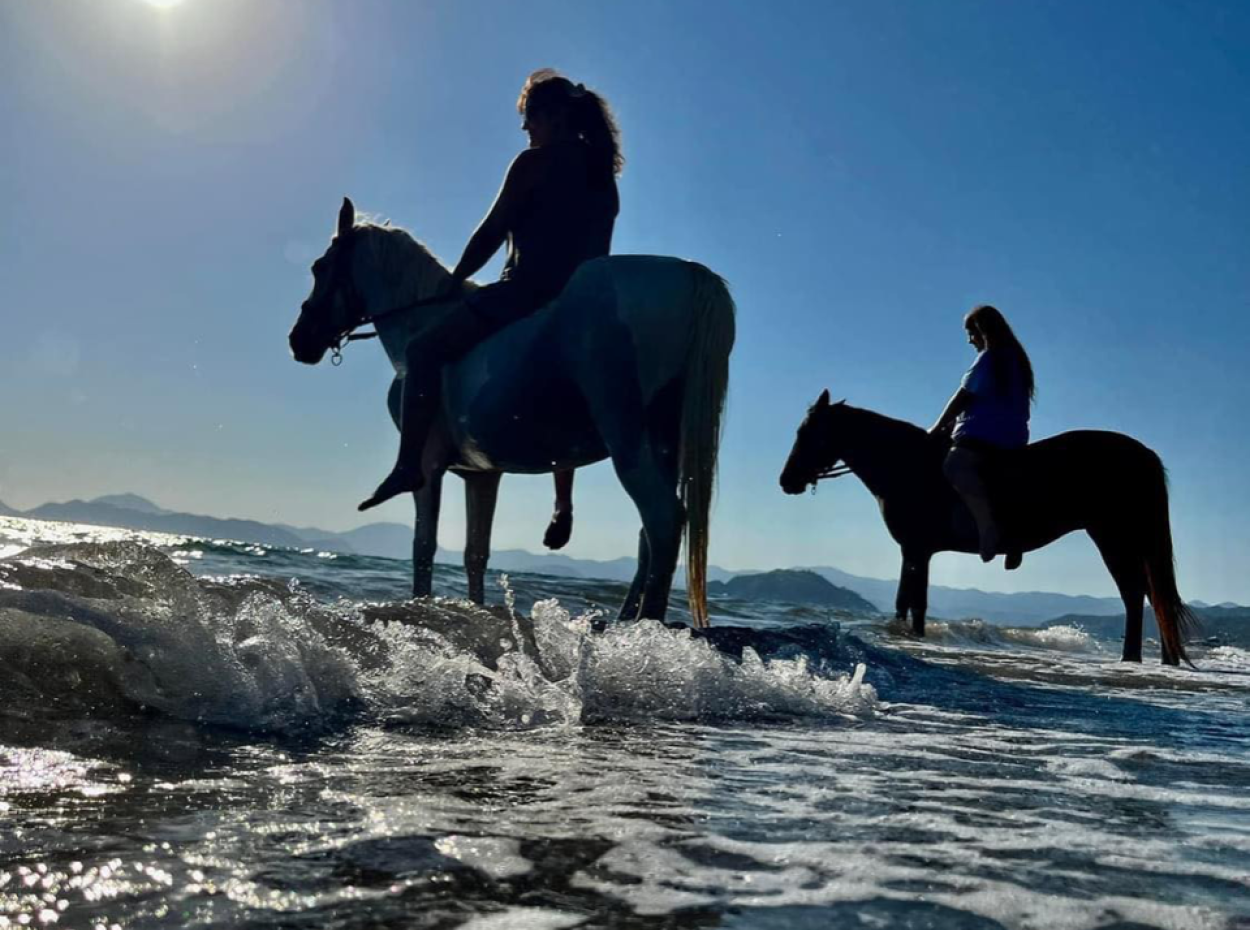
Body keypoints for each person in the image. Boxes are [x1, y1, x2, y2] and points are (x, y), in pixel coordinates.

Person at [359, 70, 622, 517]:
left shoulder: (534, 163)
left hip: (527, 292)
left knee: (422, 351)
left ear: (555, 116)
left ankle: (407, 466)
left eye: (530, 117)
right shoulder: (602, 173)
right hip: (586, 301)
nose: (525, 127)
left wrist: (455, 278)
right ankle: (563, 503)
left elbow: (491, 232)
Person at [929, 304, 1035, 567]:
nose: (969, 340)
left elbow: (964, 396)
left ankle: (987, 527)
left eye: (971, 333)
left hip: (984, 435)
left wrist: (938, 426)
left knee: (953, 466)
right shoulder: (1017, 360)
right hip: (1013, 436)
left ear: (983, 331)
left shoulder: (990, 358)